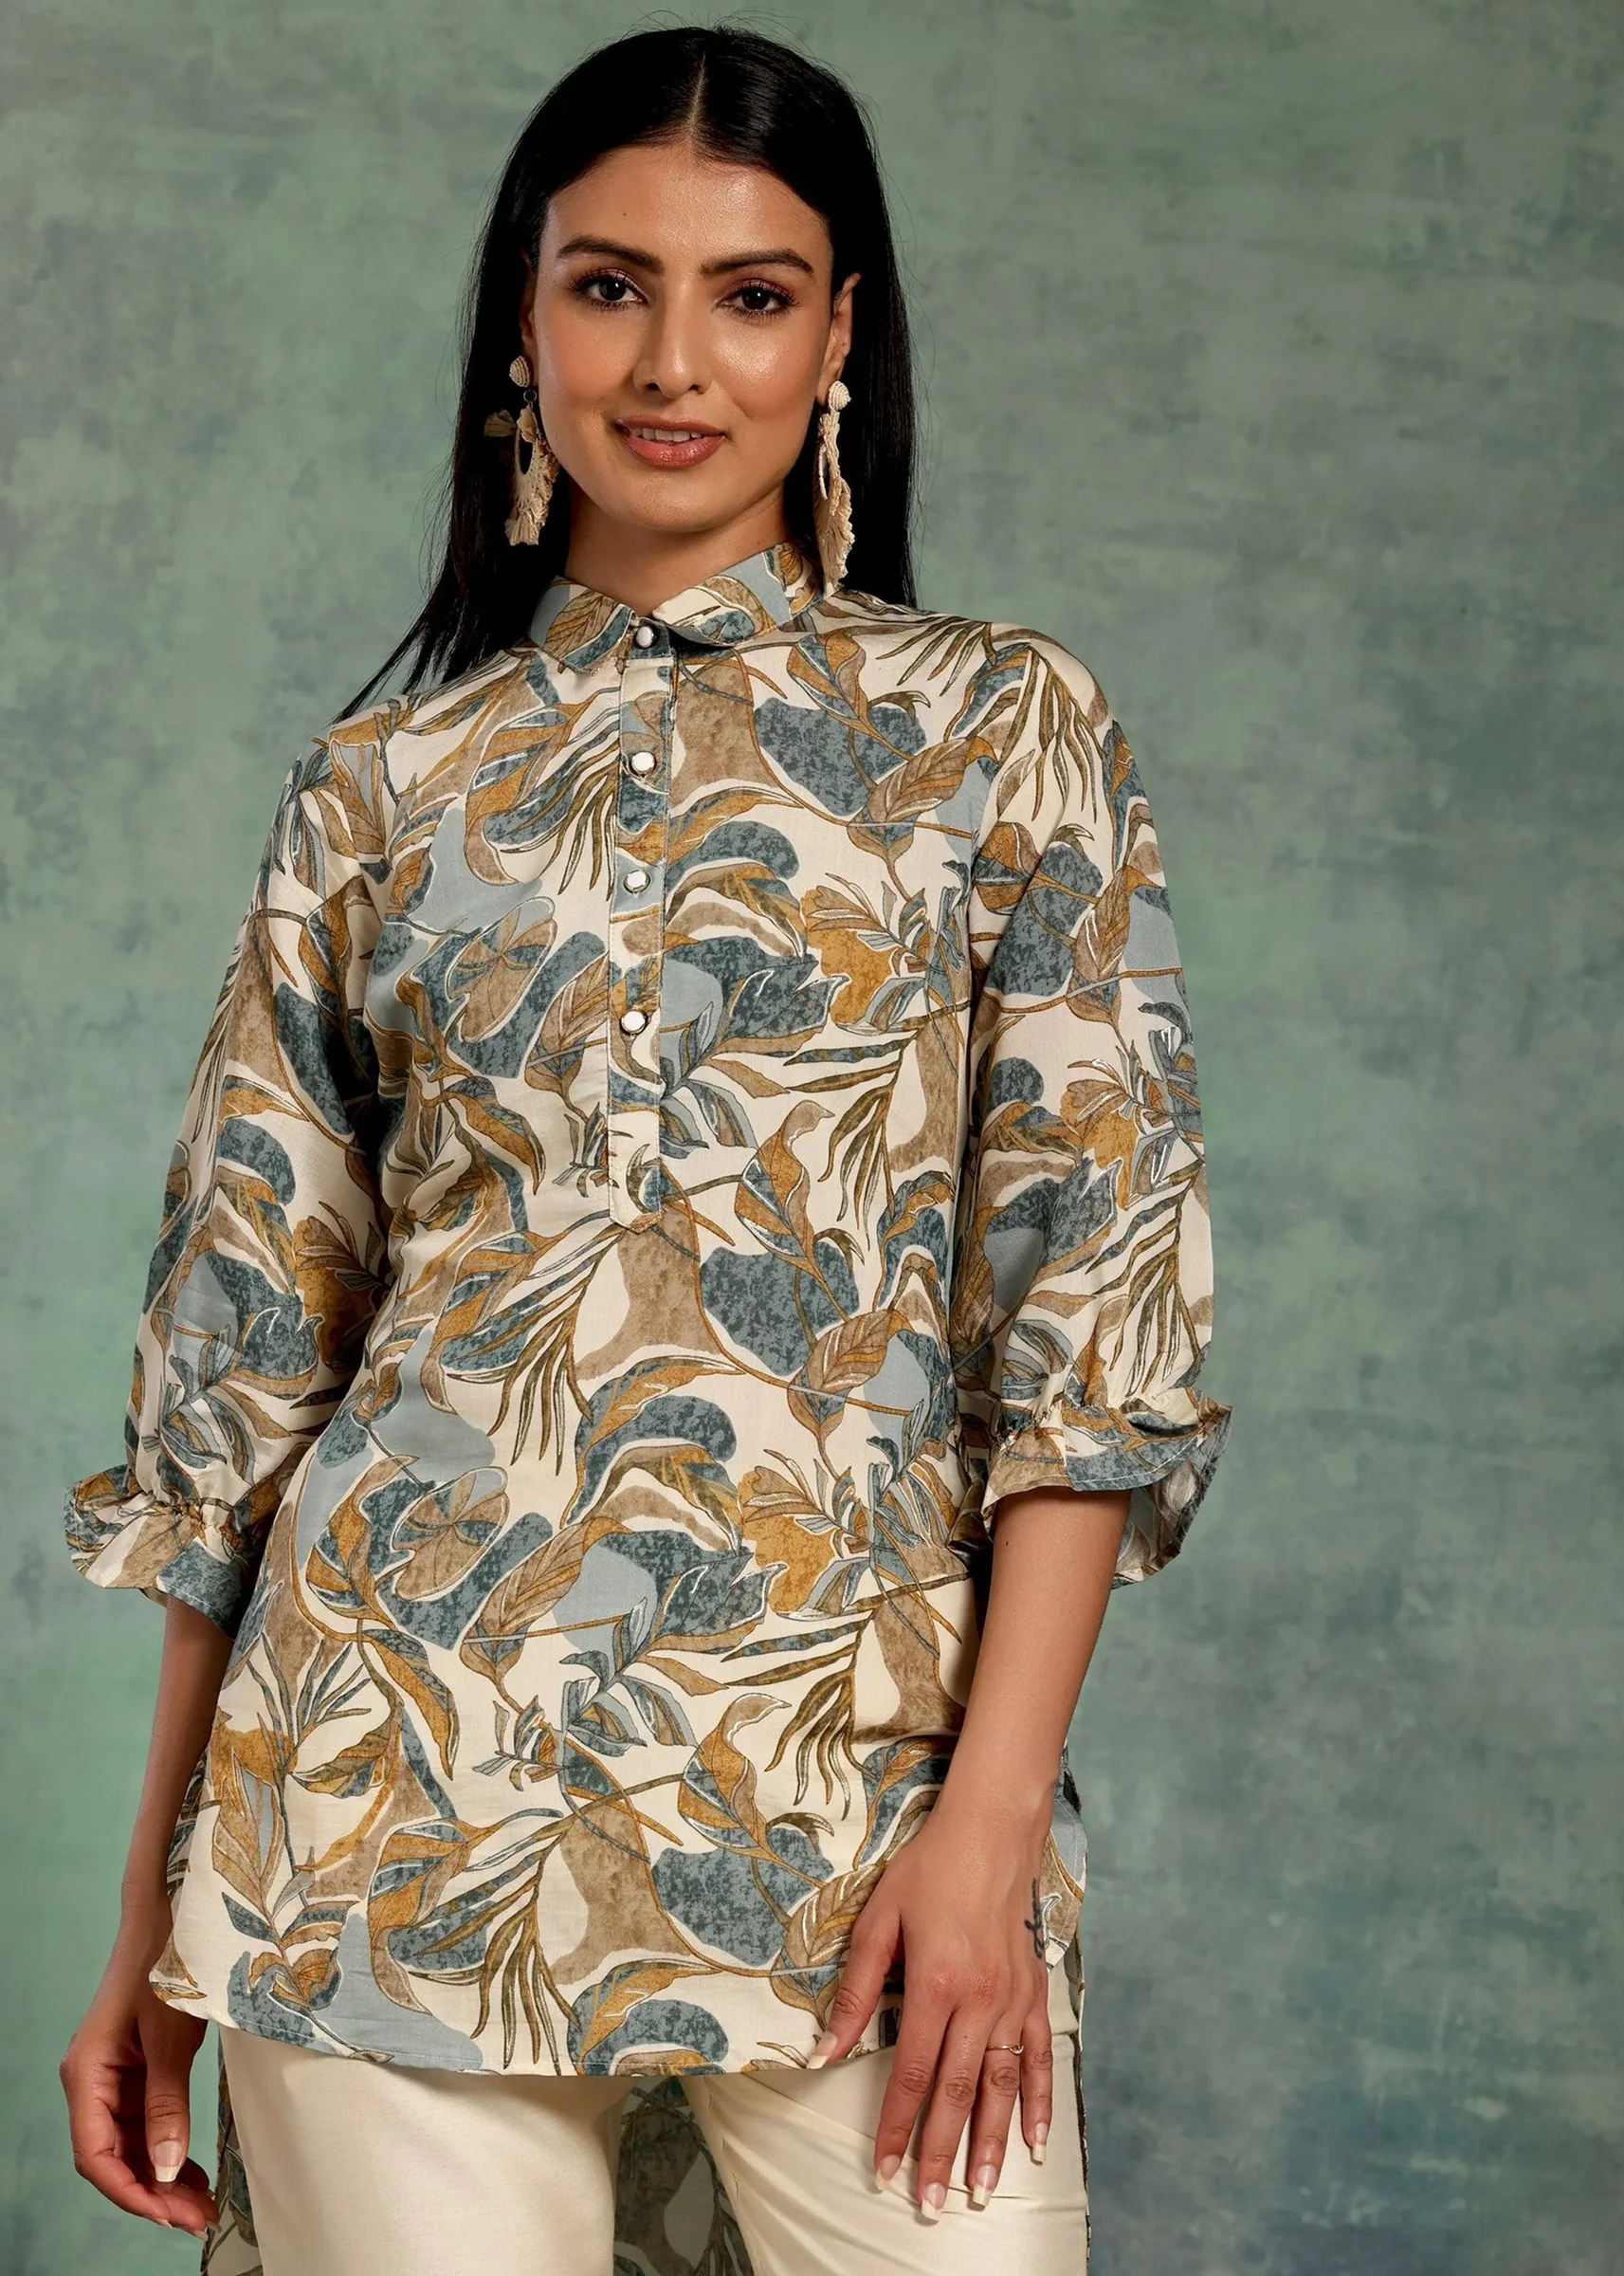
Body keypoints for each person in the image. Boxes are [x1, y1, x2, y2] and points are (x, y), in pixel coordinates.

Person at [58, 26, 1230, 2276]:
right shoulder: (381, 789)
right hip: (378, 1795)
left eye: (751, 295)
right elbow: (244, 1393)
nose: (675, 362)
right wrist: (155, 1922)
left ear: (841, 336)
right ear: (524, 321)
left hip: (860, 1806)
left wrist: (991, 1831)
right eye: (610, 286)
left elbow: (1092, 1326)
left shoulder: (1004, 730)